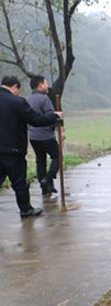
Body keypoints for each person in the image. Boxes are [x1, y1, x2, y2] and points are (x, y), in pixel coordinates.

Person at [0, 76, 63, 217]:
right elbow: (35, 119)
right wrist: (54, 116)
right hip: (13, 149)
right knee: (19, 182)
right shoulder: (16, 102)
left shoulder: (24, 99)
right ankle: (26, 209)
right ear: (15, 87)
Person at [27, 75, 60, 197]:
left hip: (33, 137)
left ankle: (45, 188)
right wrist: (54, 128)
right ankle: (49, 178)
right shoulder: (44, 98)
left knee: (40, 161)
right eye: (46, 83)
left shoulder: (28, 99)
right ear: (40, 85)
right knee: (57, 156)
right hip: (46, 136)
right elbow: (51, 116)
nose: (47, 86)